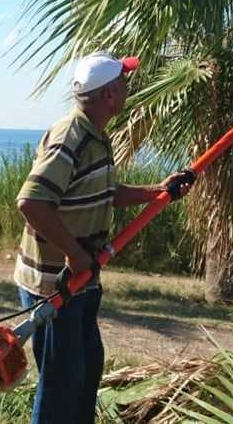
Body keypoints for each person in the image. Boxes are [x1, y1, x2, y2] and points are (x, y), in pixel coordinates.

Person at [14, 52, 194, 423]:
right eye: (124, 81)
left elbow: (105, 192)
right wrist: (75, 255)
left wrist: (156, 191)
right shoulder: (71, 136)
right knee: (62, 384)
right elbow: (32, 202)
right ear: (110, 94)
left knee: (86, 370)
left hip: (83, 281)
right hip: (56, 284)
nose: (128, 86)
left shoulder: (96, 135)